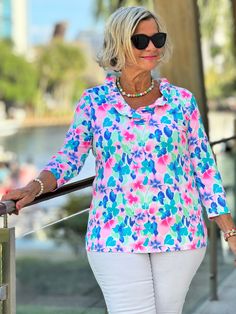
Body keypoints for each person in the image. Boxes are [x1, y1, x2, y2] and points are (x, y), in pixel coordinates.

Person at [2, 6, 236, 314]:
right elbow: (70, 156)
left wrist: (229, 230)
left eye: (158, 39)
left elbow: (204, 166)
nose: (152, 47)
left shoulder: (181, 101)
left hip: (180, 233)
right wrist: (34, 187)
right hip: (114, 234)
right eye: (141, 41)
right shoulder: (94, 102)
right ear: (119, 45)